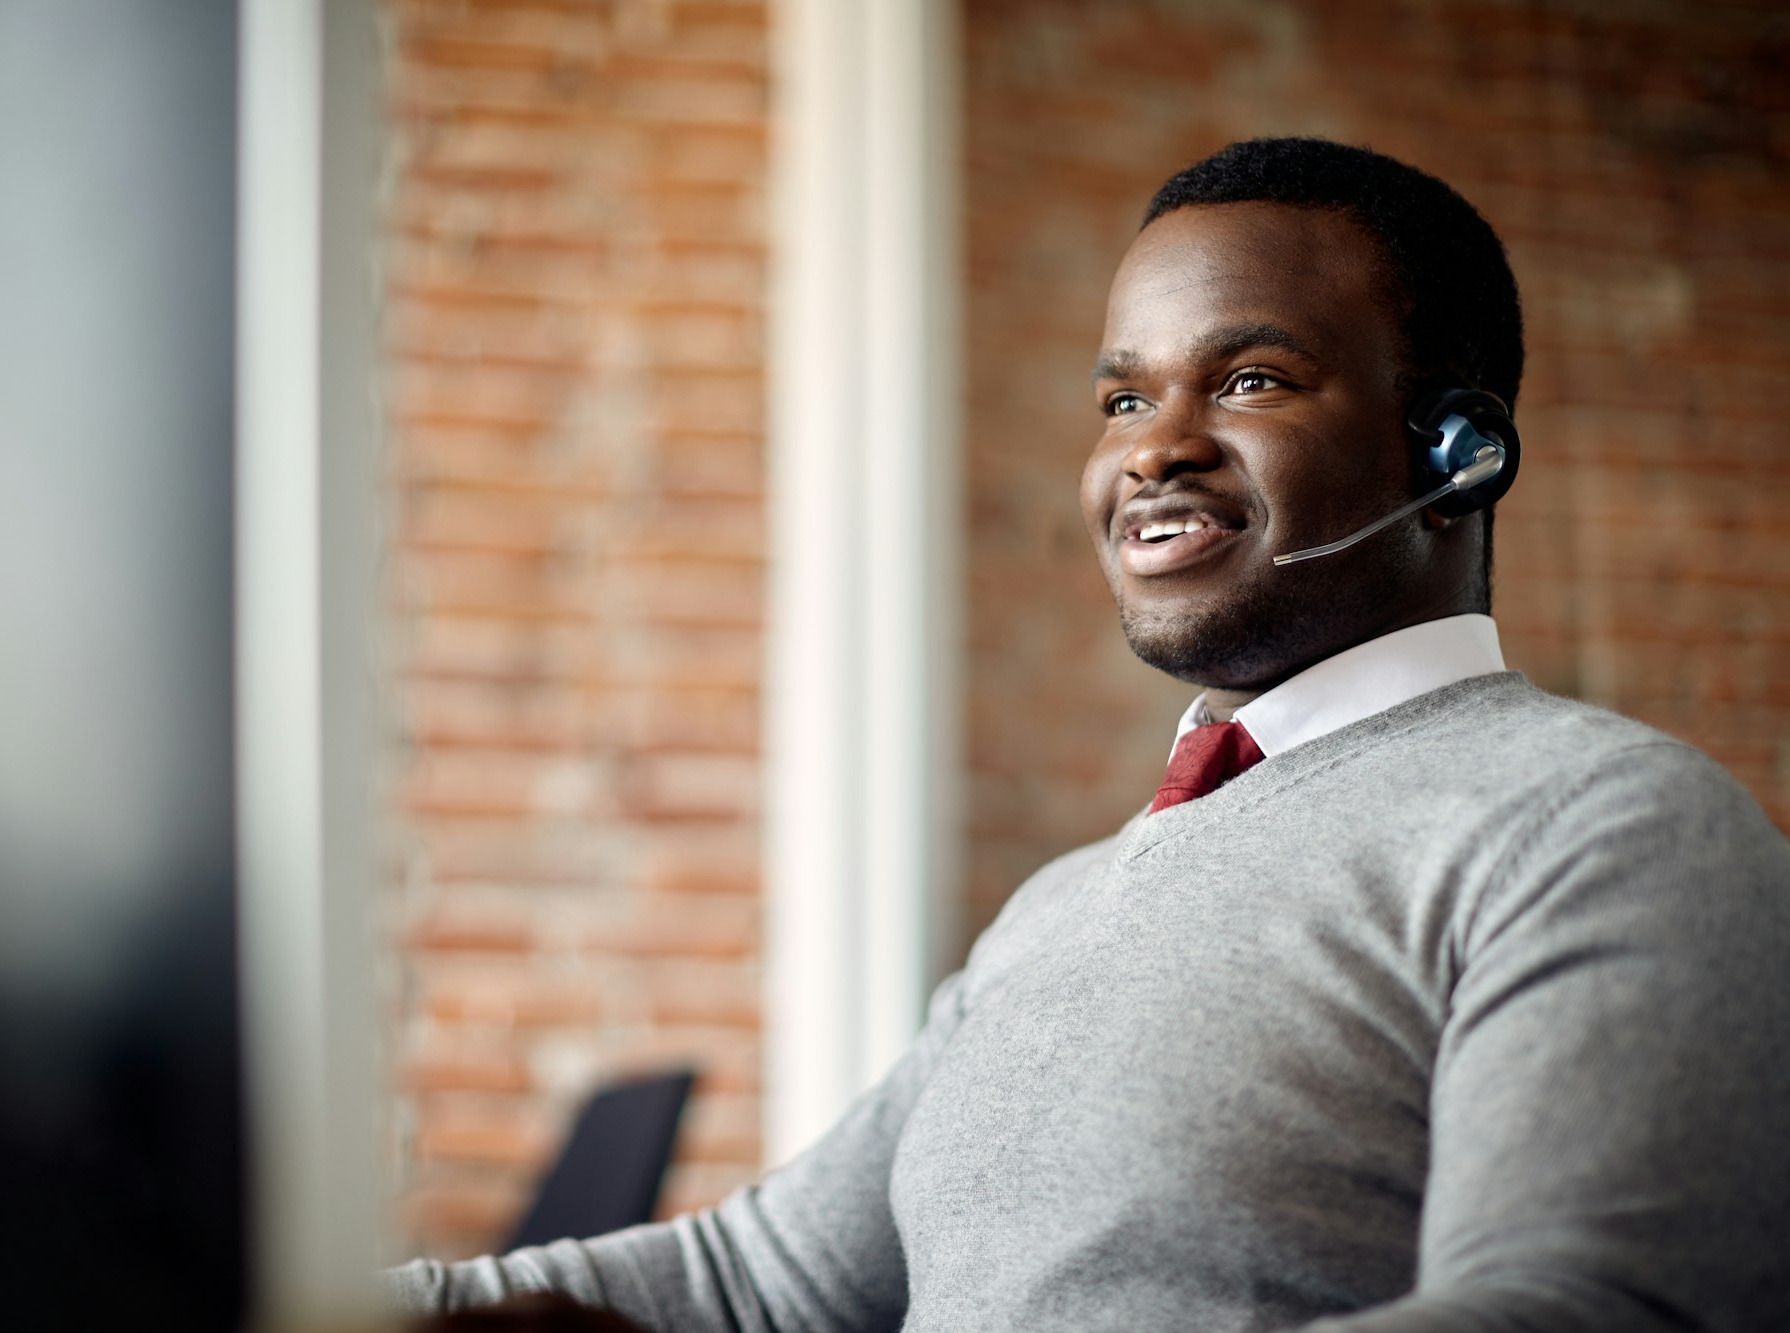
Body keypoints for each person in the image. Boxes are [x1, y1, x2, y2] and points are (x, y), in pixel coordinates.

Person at [386, 138, 1790, 1331]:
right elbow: (755, 1282)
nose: (1151, 447)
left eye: (1249, 380)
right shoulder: (1055, 911)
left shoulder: (1606, 826)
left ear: (1453, 455)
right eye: (1125, 396)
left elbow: (1575, 1307)